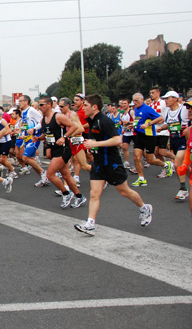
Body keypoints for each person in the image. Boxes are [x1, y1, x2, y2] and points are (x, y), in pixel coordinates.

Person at [74, 94, 153, 236]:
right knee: (94, 193)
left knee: (124, 191)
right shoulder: (91, 121)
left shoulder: (105, 121)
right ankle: (90, 223)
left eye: (86, 105)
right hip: (98, 163)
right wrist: (90, 147)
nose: (83, 107)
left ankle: (144, 208)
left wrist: (95, 144)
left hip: (112, 162)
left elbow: (118, 140)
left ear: (94, 107)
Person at [36, 96, 86, 209]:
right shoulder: (43, 119)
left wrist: (64, 137)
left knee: (50, 174)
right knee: (66, 175)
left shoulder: (58, 117)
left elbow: (74, 126)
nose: (40, 107)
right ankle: (79, 196)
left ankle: (66, 193)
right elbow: (47, 133)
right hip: (54, 148)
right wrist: (38, 138)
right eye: (39, 105)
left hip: (63, 149)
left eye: (42, 105)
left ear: (49, 105)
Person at [130, 92, 171, 187]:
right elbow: (139, 120)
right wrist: (133, 125)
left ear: (141, 100)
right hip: (139, 136)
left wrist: (148, 124)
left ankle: (165, 164)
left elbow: (160, 118)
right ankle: (141, 179)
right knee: (136, 157)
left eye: (136, 100)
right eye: (134, 101)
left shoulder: (147, 109)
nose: (135, 102)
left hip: (149, 136)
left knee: (150, 160)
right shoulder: (136, 109)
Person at [158, 91, 189, 200]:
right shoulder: (167, 111)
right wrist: (162, 128)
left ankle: (183, 189)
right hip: (174, 140)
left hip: (184, 140)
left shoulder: (184, 109)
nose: (165, 101)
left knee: (177, 163)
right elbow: (169, 124)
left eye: (168, 98)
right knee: (185, 166)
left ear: (175, 99)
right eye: (165, 99)